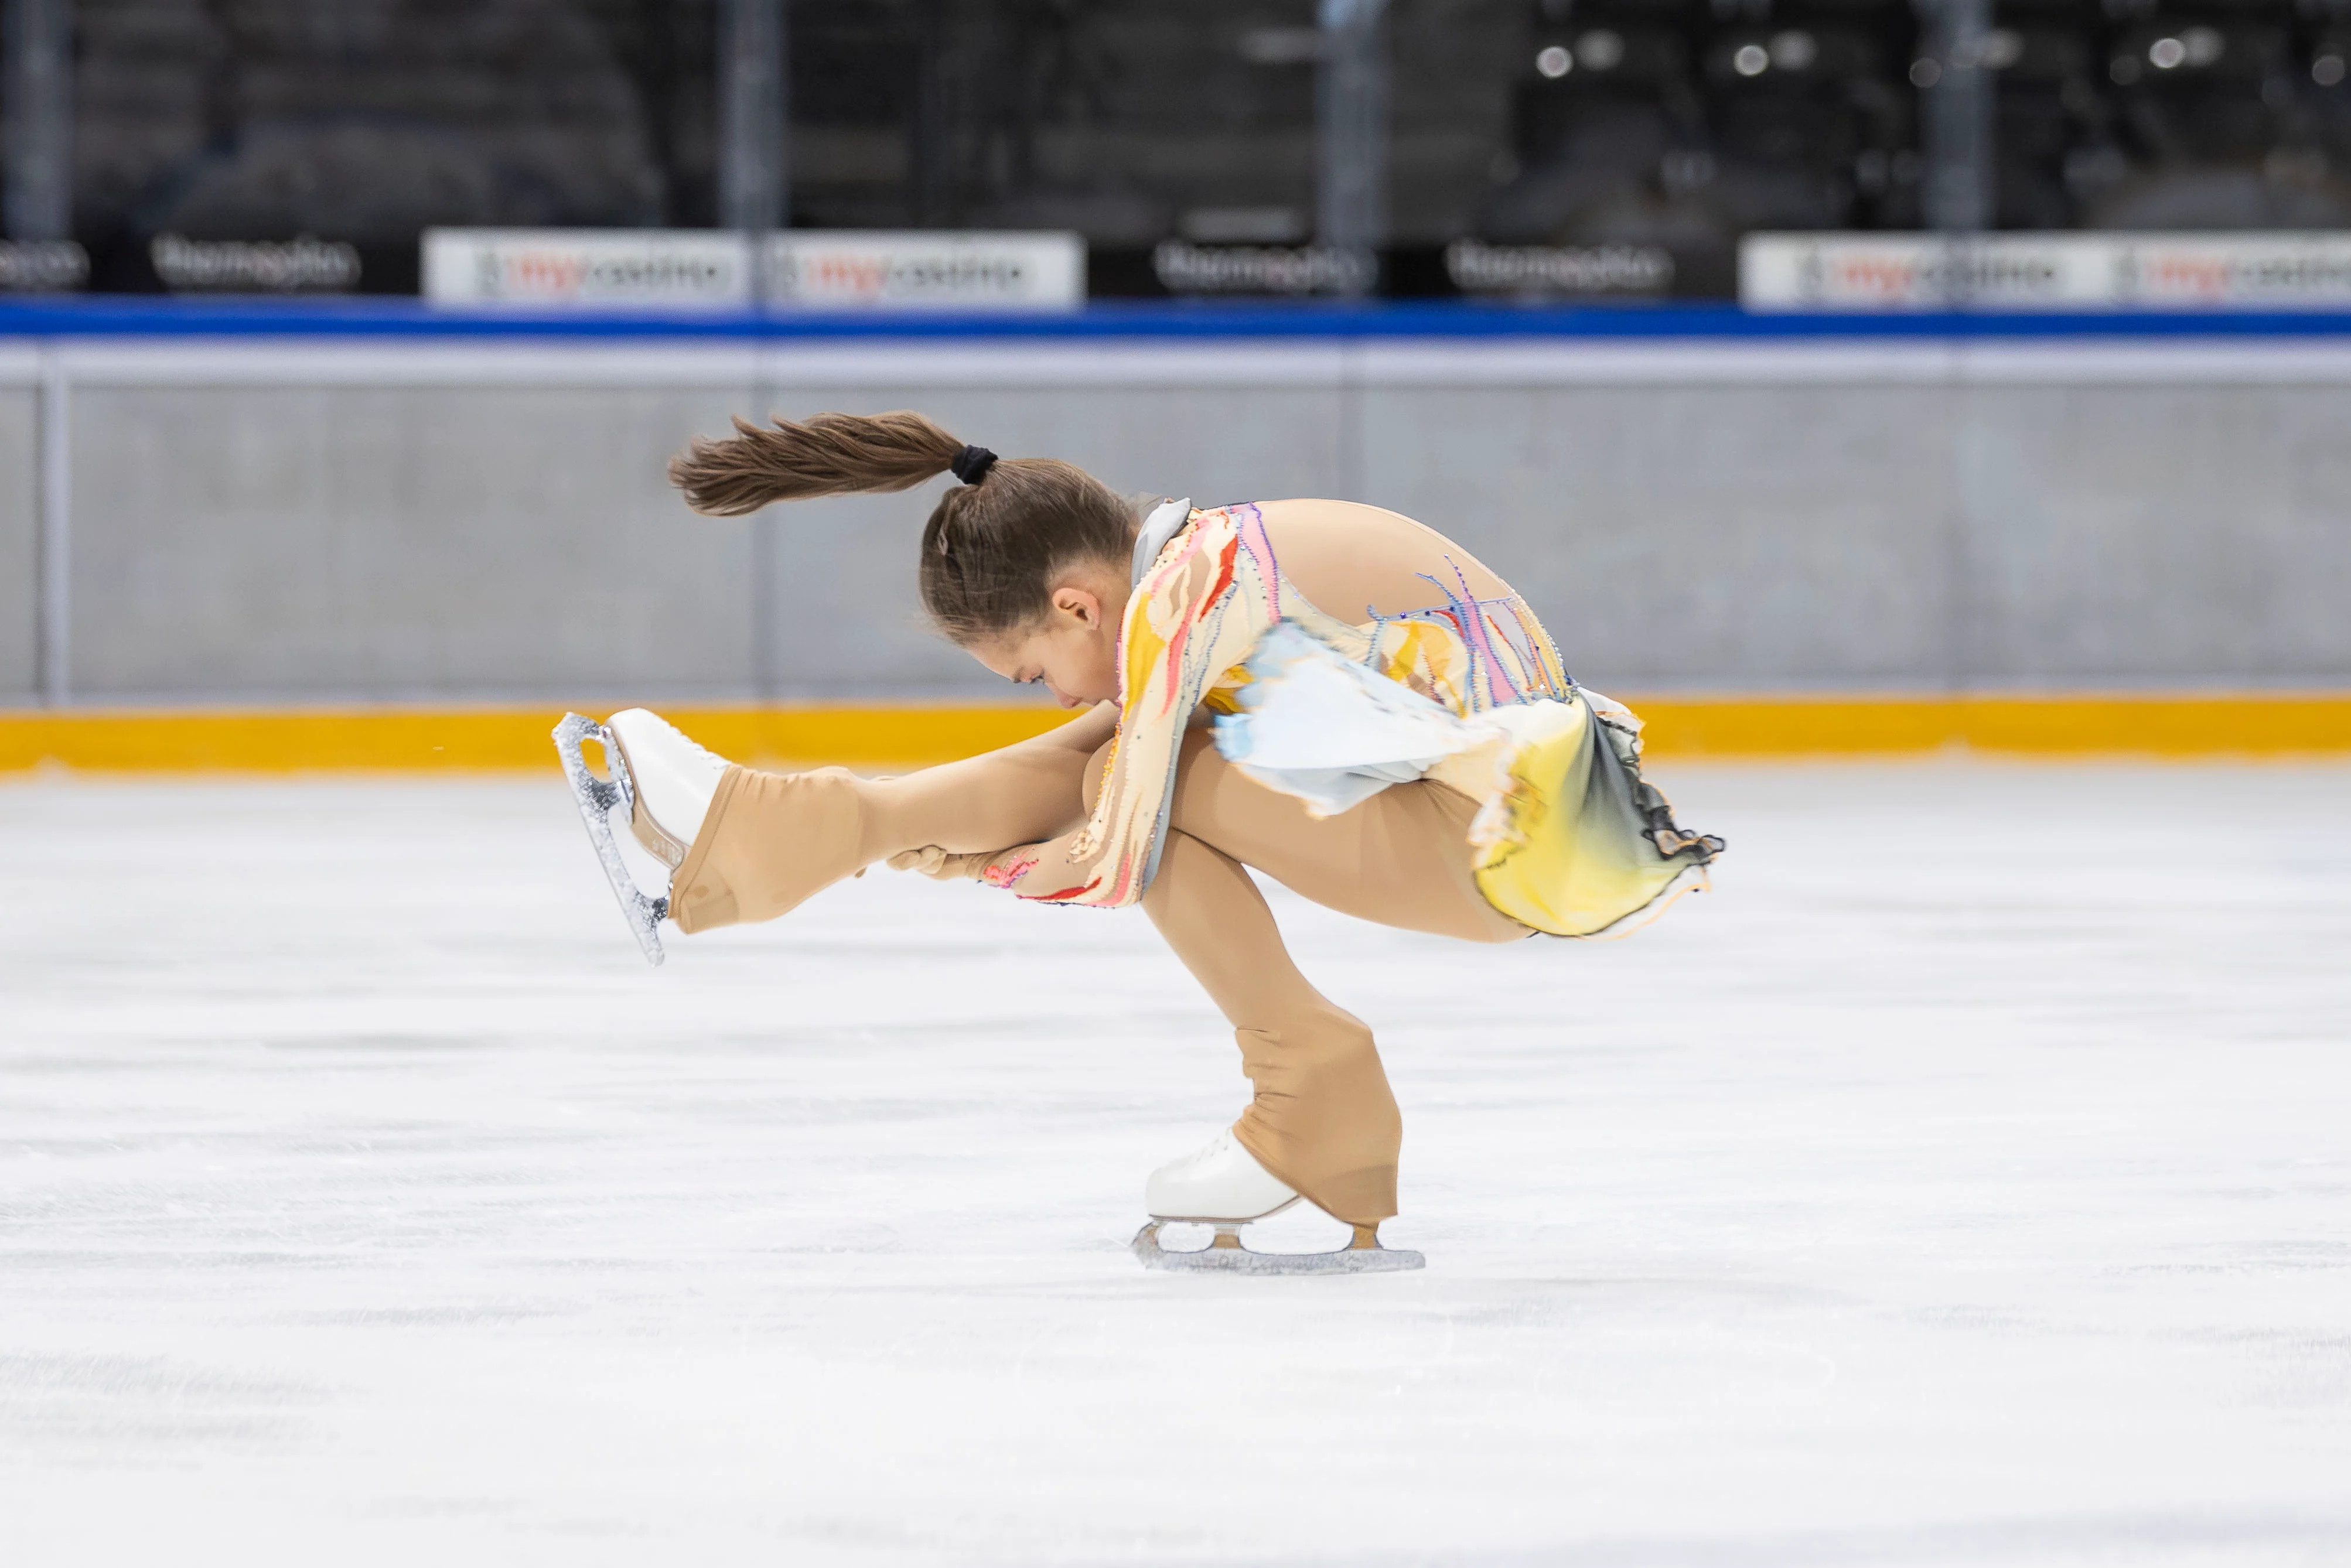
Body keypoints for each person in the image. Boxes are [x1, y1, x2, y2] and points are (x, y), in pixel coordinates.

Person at [555, 411, 1719, 1275]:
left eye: (1029, 673)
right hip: (1525, 829)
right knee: (1113, 757)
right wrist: (904, 835)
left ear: (1073, 605)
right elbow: (1079, 779)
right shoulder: (1206, 569)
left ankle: (1310, 1098)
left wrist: (972, 863)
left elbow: (1113, 843)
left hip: (1518, 851)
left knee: (1126, 774)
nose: (1047, 695)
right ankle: (779, 828)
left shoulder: (1193, 591)